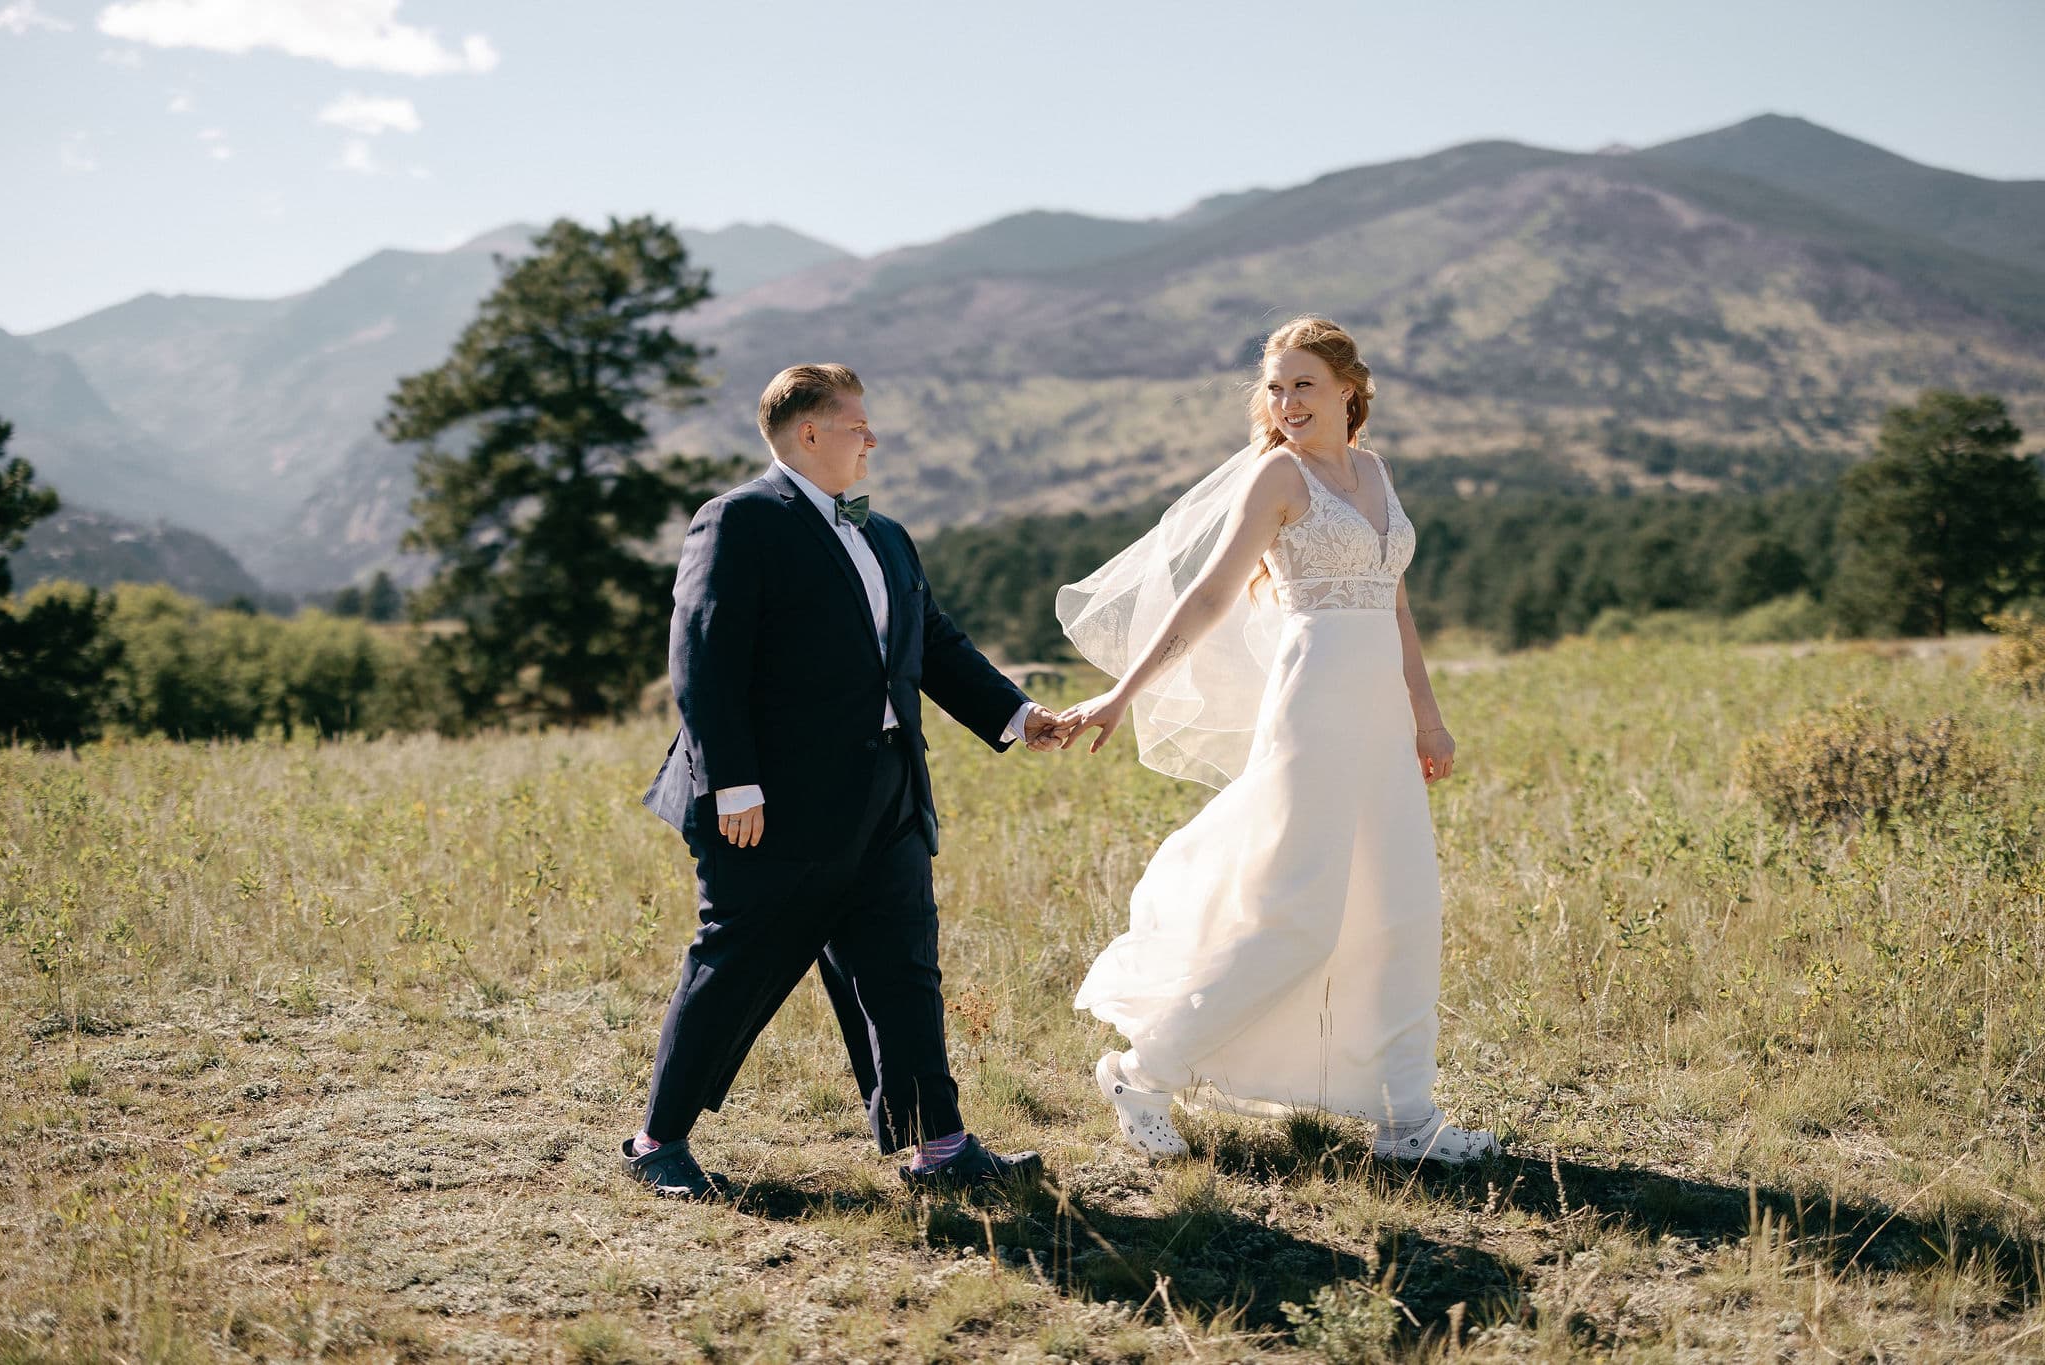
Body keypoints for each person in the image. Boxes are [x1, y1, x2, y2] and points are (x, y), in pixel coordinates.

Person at [1055, 317, 1499, 1164]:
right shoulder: (1277, 478)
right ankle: (1143, 1071)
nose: (1286, 401)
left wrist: (1428, 714)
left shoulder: (1374, 469)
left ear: (1347, 390)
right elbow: (1212, 595)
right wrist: (1123, 691)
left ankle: (1408, 1116)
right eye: (1275, 386)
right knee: (1296, 913)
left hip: (1384, 720)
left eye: (1303, 384)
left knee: (1402, 906)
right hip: (1315, 711)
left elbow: (1395, 602)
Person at [631, 363, 1064, 1197]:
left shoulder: (888, 535)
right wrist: (734, 785)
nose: (872, 439)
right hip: (769, 805)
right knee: (735, 964)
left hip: (889, 795)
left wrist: (1018, 715)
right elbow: (704, 659)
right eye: (857, 425)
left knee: (904, 970)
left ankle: (940, 1148)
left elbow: (934, 644)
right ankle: (657, 1141)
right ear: (808, 434)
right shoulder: (738, 521)